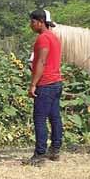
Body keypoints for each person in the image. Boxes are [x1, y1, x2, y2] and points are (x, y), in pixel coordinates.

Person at [24, 9, 63, 166]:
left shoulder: (43, 38)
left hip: (45, 84)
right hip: (56, 82)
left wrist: (33, 84)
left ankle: (39, 154)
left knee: (39, 118)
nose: (31, 25)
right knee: (55, 117)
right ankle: (55, 149)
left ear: (40, 22)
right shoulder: (54, 37)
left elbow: (41, 61)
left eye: (33, 22)